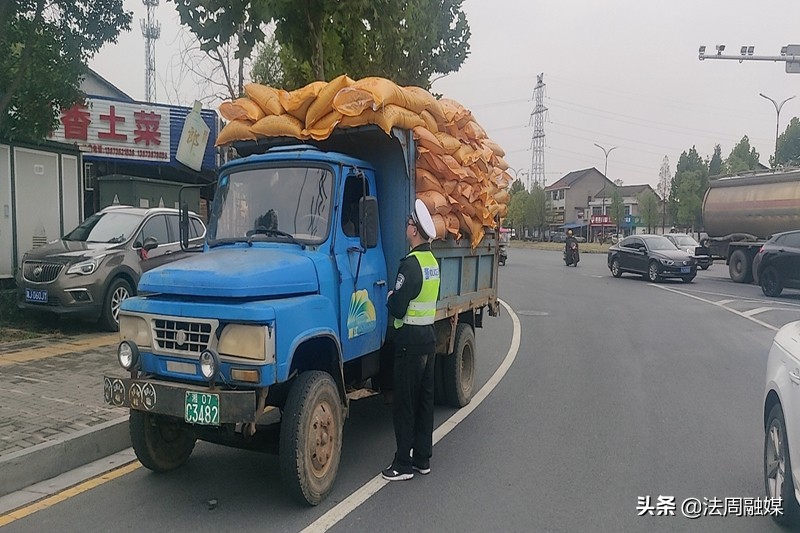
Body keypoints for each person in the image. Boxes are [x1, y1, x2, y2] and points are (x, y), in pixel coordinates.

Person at [382, 199, 440, 482]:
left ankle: (403, 464)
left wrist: (391, 298)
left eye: (408, 224)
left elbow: (398, 307)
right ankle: (422, 459)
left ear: (415, 231)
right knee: (424, 403)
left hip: (408, 343)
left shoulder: (411, 265)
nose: (406, 227)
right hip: (428, 339)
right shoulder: (432, 264)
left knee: (405, 403)